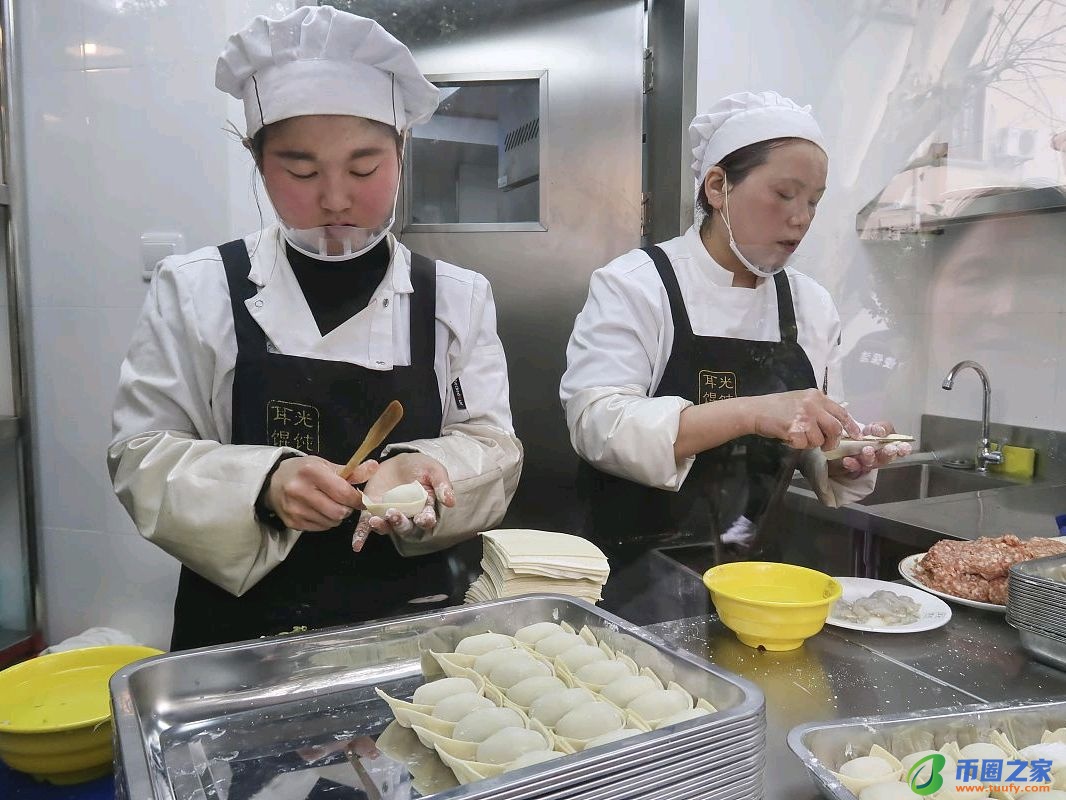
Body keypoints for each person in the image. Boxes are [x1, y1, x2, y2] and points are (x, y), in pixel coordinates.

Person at [108, 6, 522, 650]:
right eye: (300, 171)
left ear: (402, 150)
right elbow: (142, 457)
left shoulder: (456, 299)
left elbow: (493, 449)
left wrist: (422, 466)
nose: (334, 198)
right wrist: (264, 484)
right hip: (239, 635)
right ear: (258, 160)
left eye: (364, 169)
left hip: (408, 627)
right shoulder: (197, 288)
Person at [560, 91, 910, 576]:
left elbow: (811, 440)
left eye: (814, 201)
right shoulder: (638, 284)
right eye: (784, 195)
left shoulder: (811, 304)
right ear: (718, 186)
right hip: (628, 569)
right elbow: (599, 426)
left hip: (752, 570)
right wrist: (753, 410)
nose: (801, 217)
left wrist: (846, 453)